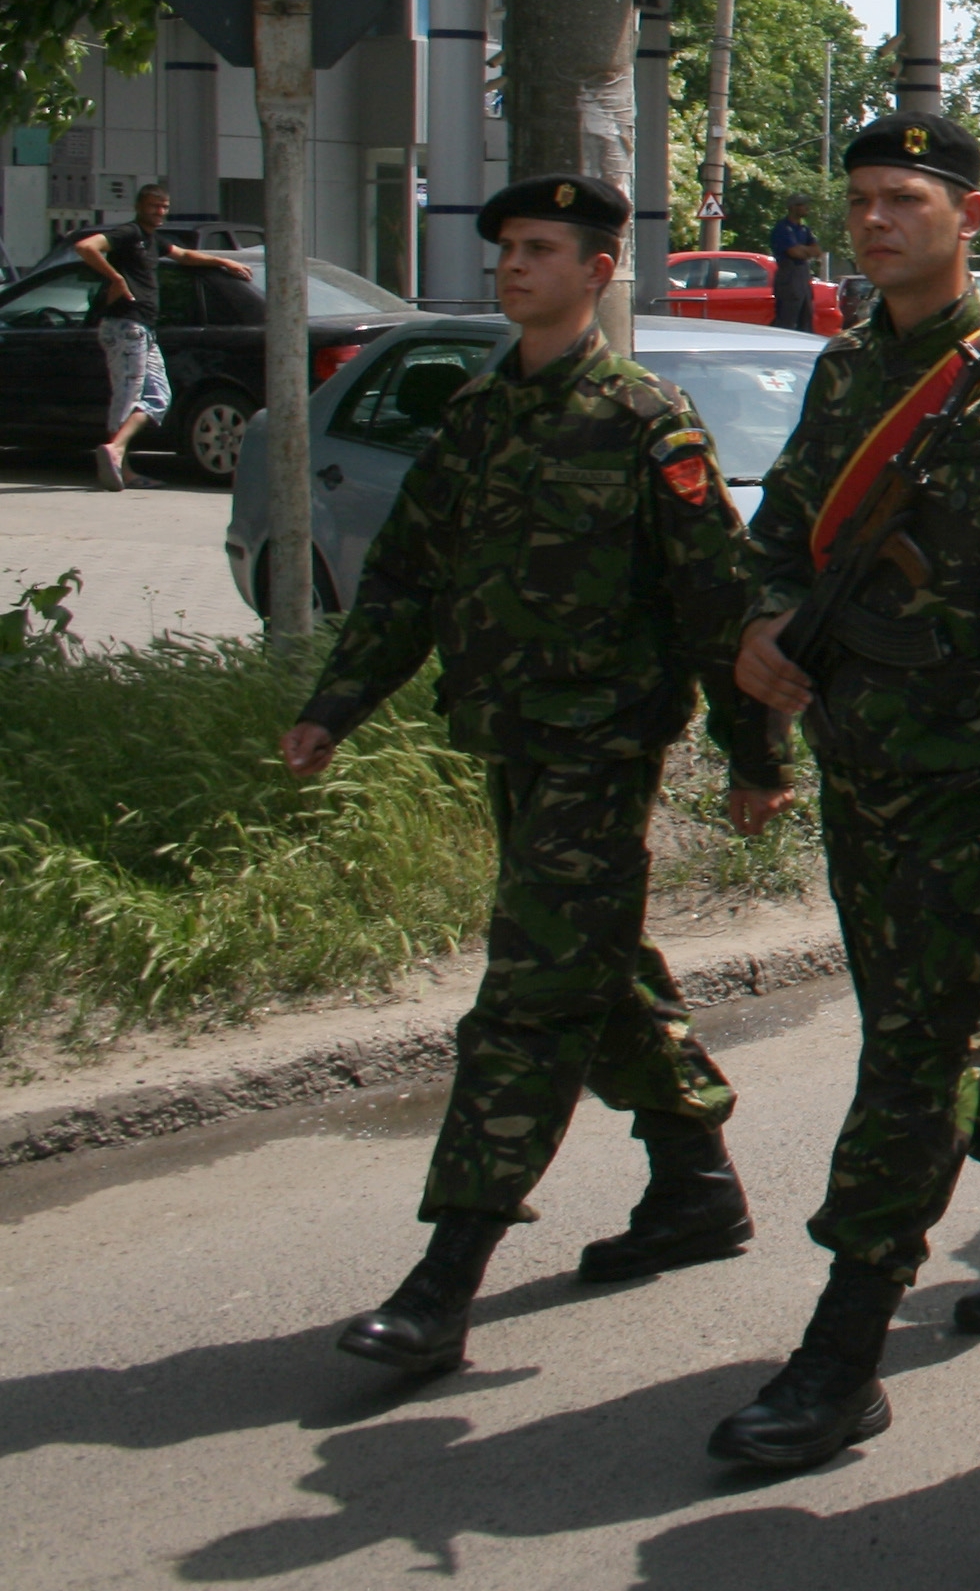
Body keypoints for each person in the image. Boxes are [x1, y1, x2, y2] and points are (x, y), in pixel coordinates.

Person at [281, 173, 769, 1379]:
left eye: (541, 249)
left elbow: (718, 604)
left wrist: (758, 758)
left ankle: (448, 1272)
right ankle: (696, 1183)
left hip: (601, 749)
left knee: (530, 996)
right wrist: (335, 709)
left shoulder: (648, 424)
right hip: (508, 740)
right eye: (505, 247)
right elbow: (403, 579)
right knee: (597, 968)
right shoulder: (479, 416)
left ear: (599, 271)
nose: (514, 266)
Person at [712, 109, 980, 1472]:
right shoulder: (843, 376)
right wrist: (767, 633)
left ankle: (844, 1349)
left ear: (968, 212)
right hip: (864, 765)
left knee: (912, 1055)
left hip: (971, 782)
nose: (877, 220)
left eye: (906, 198)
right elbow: (779, 540)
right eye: (864, 200)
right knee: (931, 1011)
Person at [68, 180, 247, 488]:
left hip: (144, 330)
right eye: (154, 206)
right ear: (140, 207)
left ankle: (117, 452)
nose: (160, 211)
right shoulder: (130, 233)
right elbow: (86, 247)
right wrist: (116, 279)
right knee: (127, 396)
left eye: (164, 206)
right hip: (125, 326)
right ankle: (119, 462)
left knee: (159, 398)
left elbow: (185, 256)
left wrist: (223, 261)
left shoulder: (155, 240)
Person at [769, 196, 820, 332]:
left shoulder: (804, 229)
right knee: (787, 322)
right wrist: (804, 250)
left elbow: (817, 250)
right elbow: (794, 252)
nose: (807, 208)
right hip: (789, 277)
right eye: (803, 205)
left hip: (803, 277)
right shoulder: (783, 228)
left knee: (806, 321)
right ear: (793, 207)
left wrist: (803, 249)